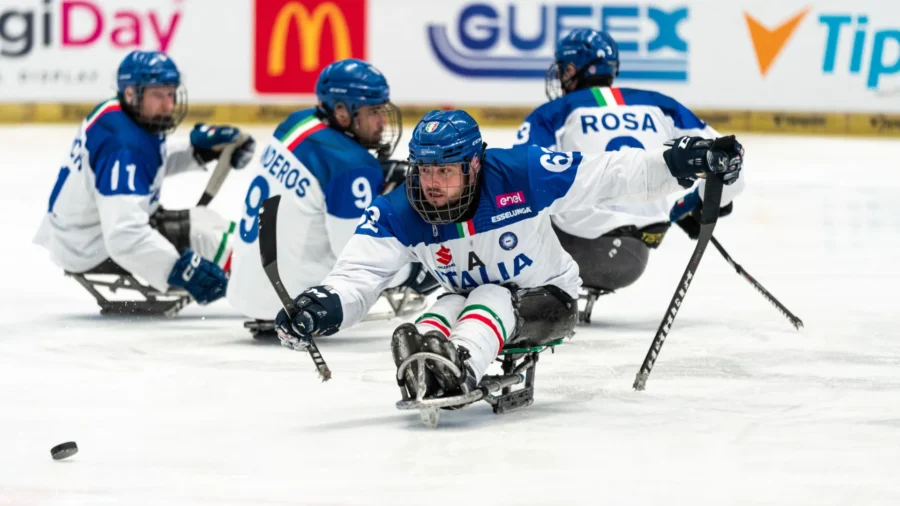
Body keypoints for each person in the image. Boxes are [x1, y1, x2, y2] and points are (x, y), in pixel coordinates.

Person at [273, 109, 743, 401]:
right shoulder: (401, 208)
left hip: (548, 300)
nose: (431, 182)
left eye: (445, 170)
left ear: (475, 165)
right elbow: (359, 273)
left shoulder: (522, 172)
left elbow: (607, 176)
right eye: (424, 169)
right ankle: (427, 357)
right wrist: (323, 306)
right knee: (446, 305)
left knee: (492, 295)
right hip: (467, 299)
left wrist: (678, 161)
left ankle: (458, 364)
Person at [514, 29, 746, 321]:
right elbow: (730, 163)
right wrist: (692, 205)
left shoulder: (553, 113)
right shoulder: (662, 104)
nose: (561, 77)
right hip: (635, 257)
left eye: (565, 69)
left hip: (576, 250)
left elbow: (523, 177)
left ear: (578, 69)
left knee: (517, 196)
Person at [226, 59, 438, 338]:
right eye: (373, 112)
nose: (382, 121)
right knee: (432, 254)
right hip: (293, 303)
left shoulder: (295, 123)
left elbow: (318, 180)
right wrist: (413, 271)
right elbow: (356, 254)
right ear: (341, 112)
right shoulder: (351, 165)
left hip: (245, 286)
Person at [33, 50, 255, 315]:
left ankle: (256, 267)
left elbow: (146, 163)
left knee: (208, 221)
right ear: (131, 94)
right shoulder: (123, 146)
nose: (168, 105)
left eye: (171, 94)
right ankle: (265, 286)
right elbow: (124, 235)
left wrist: (198, 150)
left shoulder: (119, 114)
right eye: (158, 95)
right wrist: (179, 268)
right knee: (209, 237)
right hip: (92, 246)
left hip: (82, 234)